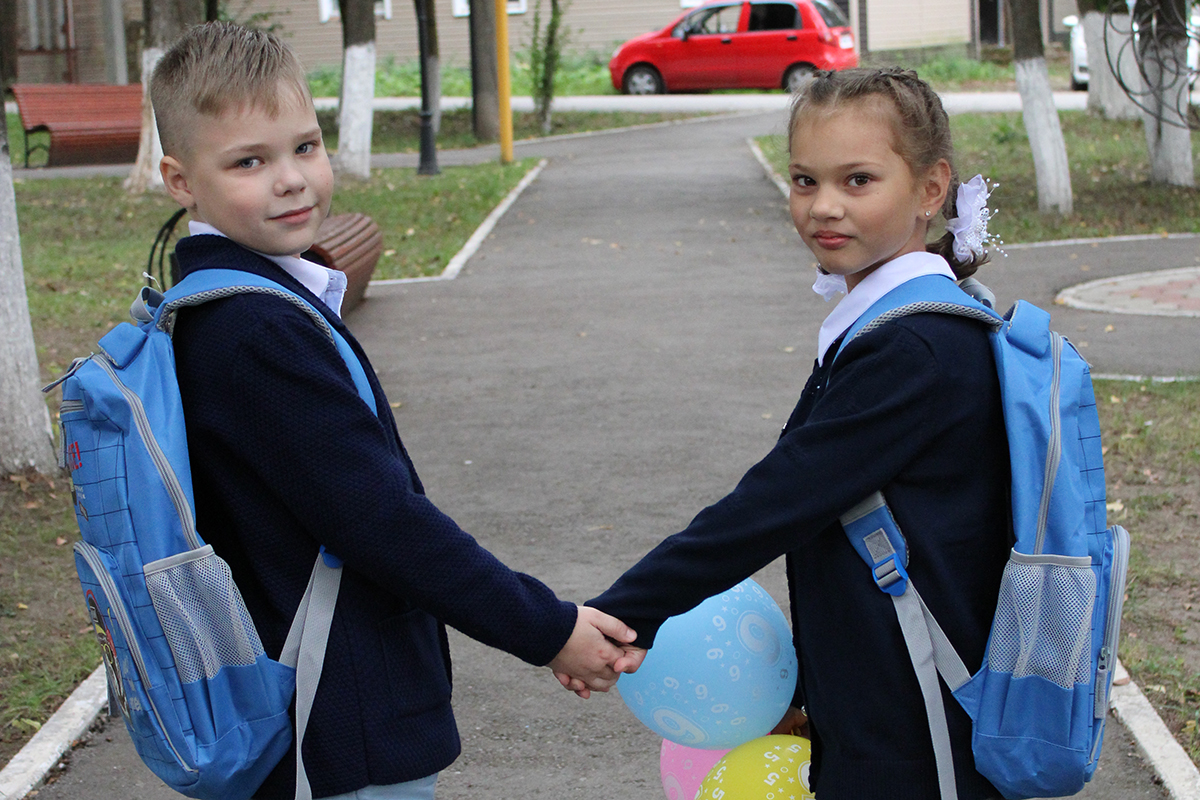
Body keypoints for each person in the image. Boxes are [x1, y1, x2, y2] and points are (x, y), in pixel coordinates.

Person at [152, 22, 635, 800]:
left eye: (305, 147)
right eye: (249, 161)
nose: (292, 180)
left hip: (315, 709)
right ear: (180, 181)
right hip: (338, 725)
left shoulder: (227, 304)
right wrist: (547, 629)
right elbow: (381, 521)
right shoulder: (257, 331)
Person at [586, 67, 1012, 799]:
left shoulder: (912, 349)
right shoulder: (902, 323)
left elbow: (776, 502)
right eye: (805, 180)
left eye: (857, 180)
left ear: (931, 188)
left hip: (914, 731)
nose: (824, 207)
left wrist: (618, 616)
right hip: (890, 700)